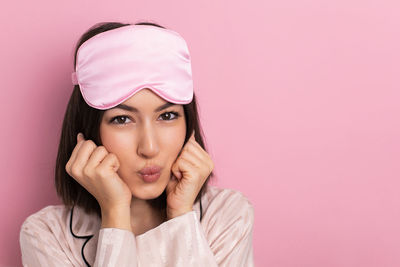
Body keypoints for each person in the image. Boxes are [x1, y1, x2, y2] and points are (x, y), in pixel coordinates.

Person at [19, 21, 254, 267]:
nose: (149, 148)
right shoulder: (47, 235)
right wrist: (115, 213)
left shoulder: (228, 216)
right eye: (122, 119)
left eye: (167, 116)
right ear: (87, 131)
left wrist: (181, 217)